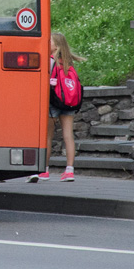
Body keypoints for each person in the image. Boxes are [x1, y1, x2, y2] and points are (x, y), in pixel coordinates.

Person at [31, 30, 86, 182]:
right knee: (68, 135)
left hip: (53, 102)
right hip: (69, 102)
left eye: (50, 42)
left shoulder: (50, 61)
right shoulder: (68, 62)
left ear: (56, 46)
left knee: (47, 136)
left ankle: (44, 170)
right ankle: (69, 170)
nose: (47, 44)